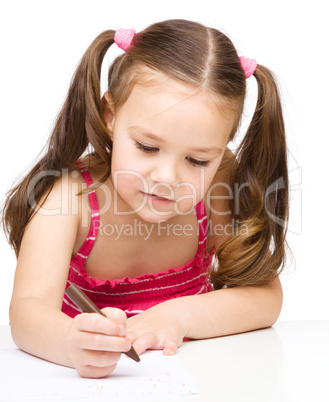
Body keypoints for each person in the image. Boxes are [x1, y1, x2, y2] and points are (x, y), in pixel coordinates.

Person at [2, 19, 289, 378]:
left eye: (197, 160)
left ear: (221, 148)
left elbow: (265, 296)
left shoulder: (219, 184)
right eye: (147, 147)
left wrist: (178, 316)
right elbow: (27, 312)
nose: (167, 177)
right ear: (111, 116)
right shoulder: (70, 199)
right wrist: (69, 343)